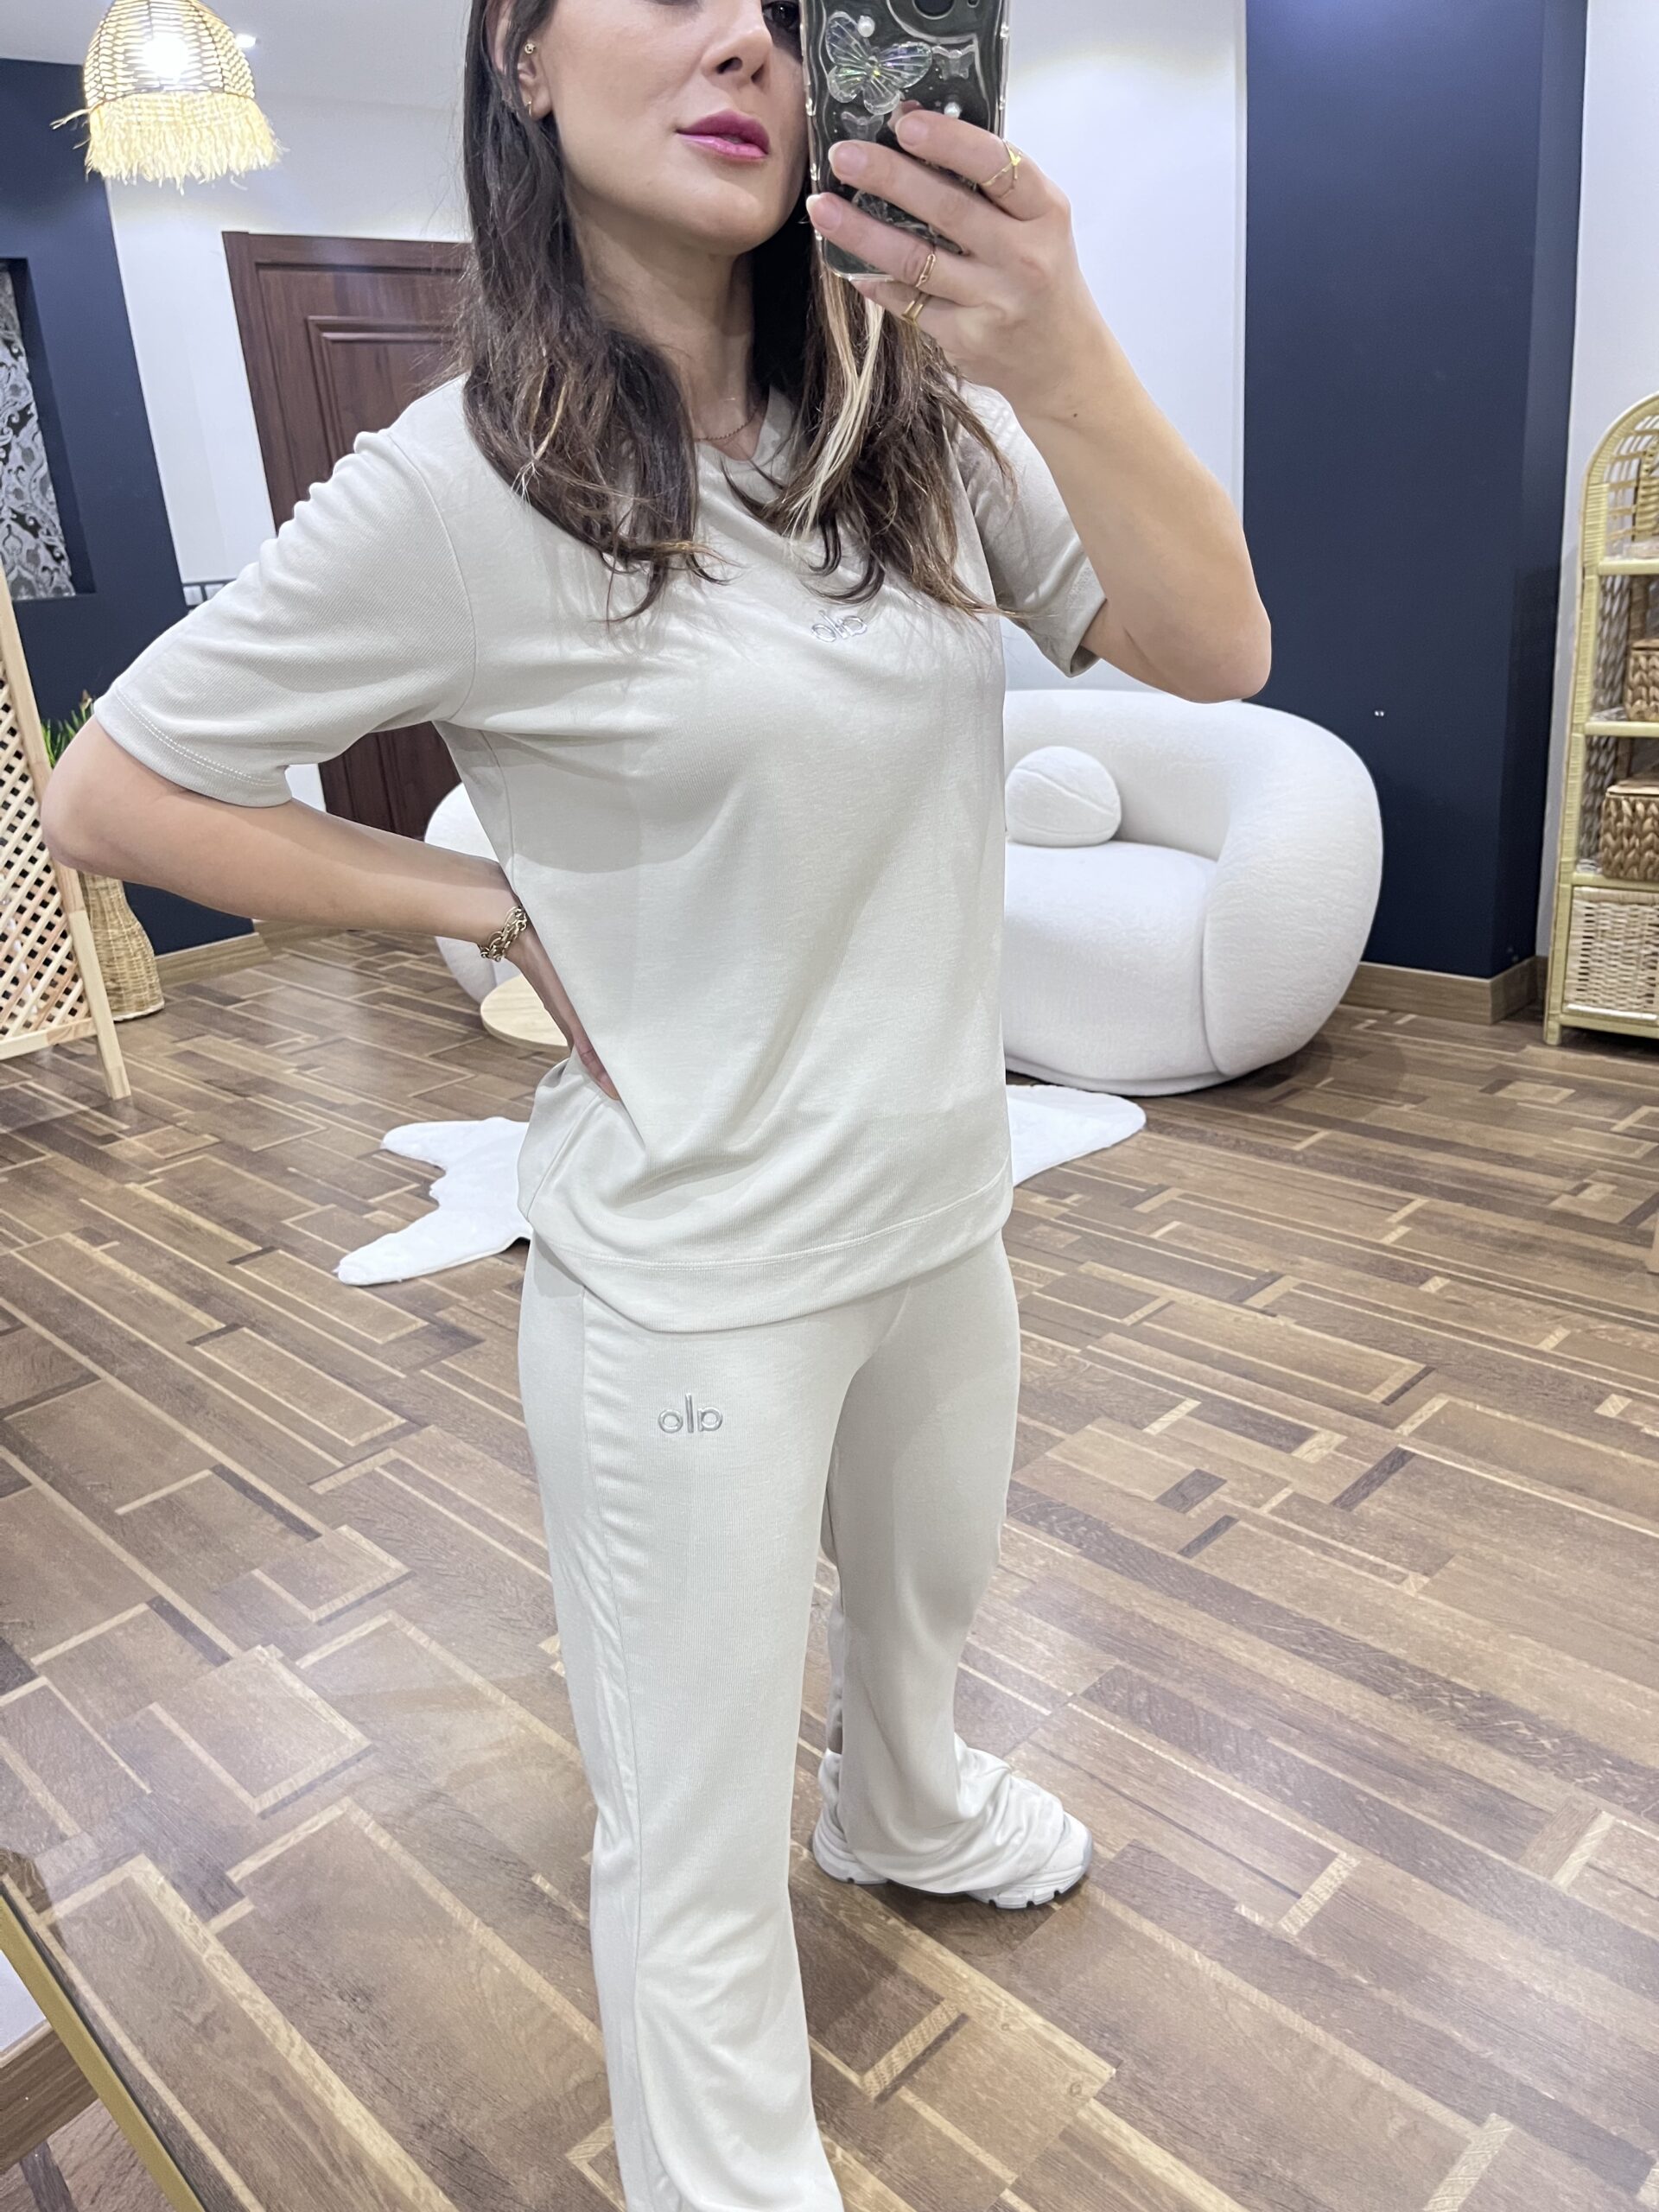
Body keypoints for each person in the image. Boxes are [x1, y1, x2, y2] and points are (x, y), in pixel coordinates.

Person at [42, 2, 1270, 2203]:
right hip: (690, 1275)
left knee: (922, 1623)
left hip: (941, 1204)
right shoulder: (458, 482)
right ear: (519, 60)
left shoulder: (911, 420)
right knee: (688, 1828)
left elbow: (1219, 649)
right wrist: (481, 898)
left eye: (783, 14)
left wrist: (1064, 348)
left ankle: (904, 1808)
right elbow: (112, 789)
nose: (739, 38)